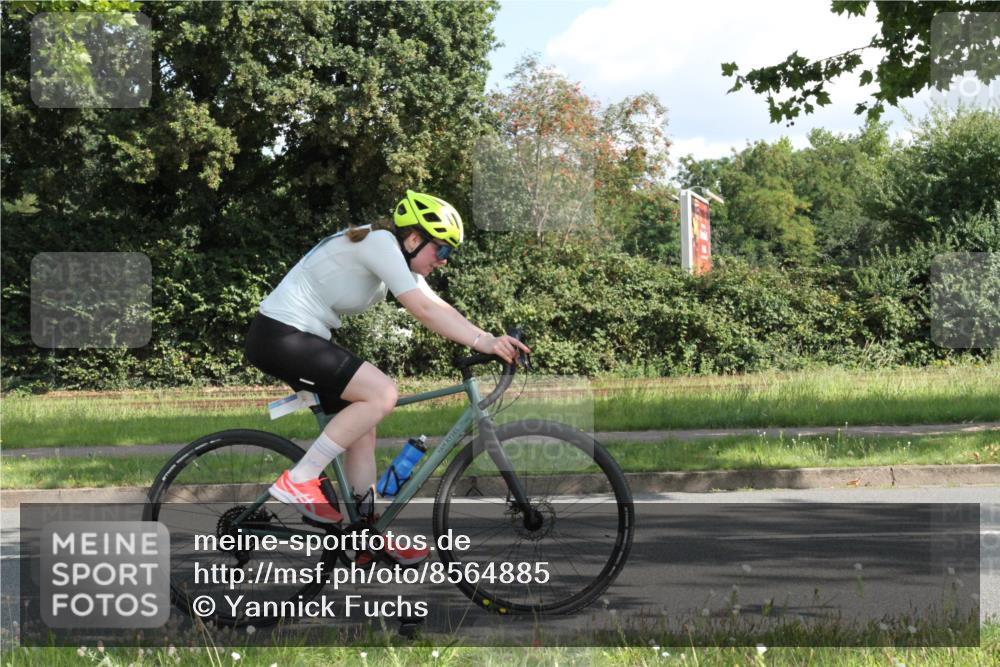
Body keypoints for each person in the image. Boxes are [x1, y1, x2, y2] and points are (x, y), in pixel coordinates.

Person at [244, 190, 531, 565]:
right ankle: (300, 479)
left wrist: (489, 339)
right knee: (382, 393)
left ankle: (366, 535)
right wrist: (484, 342)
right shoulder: (379, 242)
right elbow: (423, 309)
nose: (444, 260)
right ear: (413, 238)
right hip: (281, 336)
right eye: (442, 249)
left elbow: (437, 305)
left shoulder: (395, 255)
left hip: (299, 338)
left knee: (364, 426)